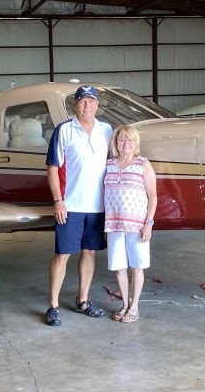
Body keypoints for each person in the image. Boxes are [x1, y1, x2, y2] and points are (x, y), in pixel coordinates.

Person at [44, 85, 114, 327]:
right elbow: (52, 168)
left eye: (91, 101)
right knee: (62, 254)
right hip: (70, 205)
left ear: (97, 105)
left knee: (90, 252)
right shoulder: (64, 130)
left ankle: (82, 300)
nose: (87, 105)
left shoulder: (106, 130)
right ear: (75, 105)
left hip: (97, 206)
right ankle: (53, 306)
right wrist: (58, 201)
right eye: (82, 101)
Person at [103, 124, 157, 323]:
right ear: (116, 142)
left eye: (130, 140)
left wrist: (148, 223)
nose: (126, 143)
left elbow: (153, 196)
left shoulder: (142, 164)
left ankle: (134, 307)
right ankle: (124, 304)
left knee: (137, 267)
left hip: (137, 225)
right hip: (114, 224)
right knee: (119, 267)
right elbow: (104, 194)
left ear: (136, 143)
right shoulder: (109, 164)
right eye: (122, 139)